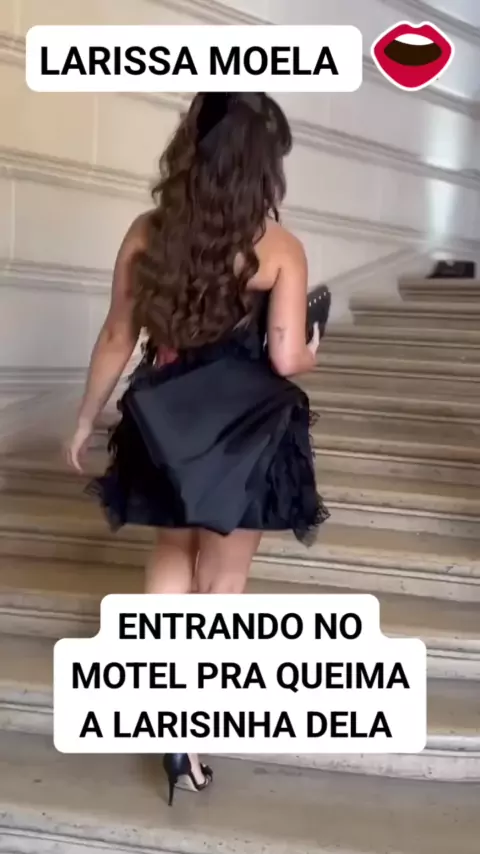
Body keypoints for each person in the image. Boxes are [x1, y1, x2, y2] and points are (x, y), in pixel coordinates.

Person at [65, 91, 329, 805]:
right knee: (222, 583)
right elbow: (286, 359)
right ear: (261, 166)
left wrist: (85, 419)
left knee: (171, 552)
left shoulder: (146, 232)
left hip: (165, 421)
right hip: (244, 430)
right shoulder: (280, 248)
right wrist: (313, 344)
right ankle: (189, 727)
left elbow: (118, 335)